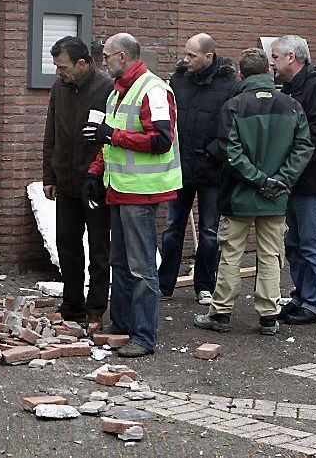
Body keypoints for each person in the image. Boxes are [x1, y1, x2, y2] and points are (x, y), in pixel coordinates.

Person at [194, 48, 312, 336]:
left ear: (241, 74)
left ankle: (220, 314)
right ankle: (269, 317)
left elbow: (230, 153)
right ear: (269, 72)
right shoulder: (292, 106)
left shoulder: (234, 106)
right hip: (276, 197)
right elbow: (303, 148)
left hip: (238, 194)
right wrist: (278, 180)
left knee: (231, 253)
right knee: (271, 255)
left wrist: (258, 179)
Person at [83, 33, 181, 357]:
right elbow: (109, 140)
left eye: (107, 56)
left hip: (141, 192)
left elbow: (160, 140)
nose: (103, 61)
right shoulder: (117, 94)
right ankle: (122, 325)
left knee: (141, 268)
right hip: (119, 189)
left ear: (122, 57)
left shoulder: (152, 90)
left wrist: (113, 135)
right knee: (119, 262)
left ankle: (143, 336)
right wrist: (95, 173)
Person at [159, 33, 237, 305]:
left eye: (192, 55)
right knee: (172, 228)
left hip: (212, 170)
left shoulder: (228, 85)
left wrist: (212, 152)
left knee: (209, 231)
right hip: (180, 168)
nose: (185, 59)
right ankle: (164, 284)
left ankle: (205, 286)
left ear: (209, 56)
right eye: (186, 53)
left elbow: (232, 127)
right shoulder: (178, 80)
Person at [42, 36, 113, 325]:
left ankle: (96, 307)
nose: (59, 72)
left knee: (98, 248)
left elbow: (111, 139)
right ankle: (72, 305)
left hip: (94, 183)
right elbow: (51, 132)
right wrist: (49, 175)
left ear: (82, 63)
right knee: (67, 244)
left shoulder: (107, 89)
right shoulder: (59, 87)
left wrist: (100, 176)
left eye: (63, 67)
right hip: (66, 182)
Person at [271, 35, 316, 325]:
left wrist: (293, 165)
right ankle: (301, 295)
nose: (271, 62)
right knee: (295, 243)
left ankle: (315, 303)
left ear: (291, 57)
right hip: (294, 180)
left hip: (311, 181)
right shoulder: (290, 89)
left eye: (275, 57)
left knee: (312, 243)